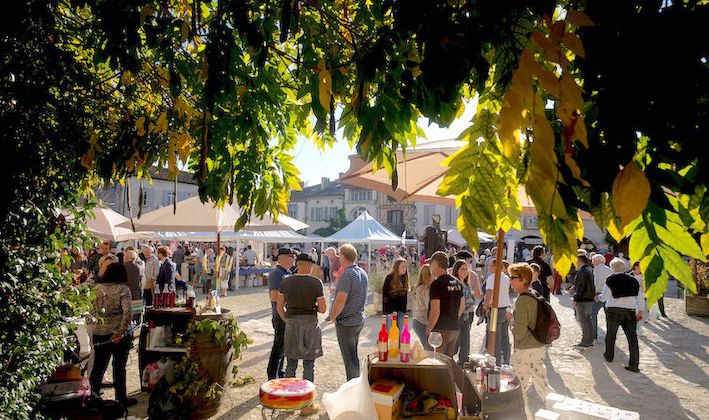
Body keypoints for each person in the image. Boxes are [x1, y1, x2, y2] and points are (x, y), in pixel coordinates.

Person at [276, 253, 326, 415]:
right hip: (310, 323)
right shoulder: (316, 282)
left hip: (292, 322)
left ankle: (290, 401)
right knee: (308, 364)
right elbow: (323, 308)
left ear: (297, 264)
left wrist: (287, 320)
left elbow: (279, 307)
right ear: (309, 265)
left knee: (291, 363)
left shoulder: (286, 281)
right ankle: (307, 403)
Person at [88, 263, 136, 408]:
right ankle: (120, 399)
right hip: (117, 334)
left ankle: (93, 397)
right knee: (119, 367)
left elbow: (91, 311)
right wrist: (120, 332)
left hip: (99, 332)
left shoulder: (96, 289)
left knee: (98, 366)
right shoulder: (123, 289)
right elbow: (128, 313)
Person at [508, 263, 553, 402]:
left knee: (517, 389)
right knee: (542, 383)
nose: (510, 280)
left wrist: (511, 323)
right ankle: (556, 408)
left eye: (512, 277)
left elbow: (519, 333)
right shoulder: (534, 294)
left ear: (523, 279)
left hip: (525, 349)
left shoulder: (522, 300)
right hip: (538, 346)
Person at [329, 243, 368, 381]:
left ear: (344, 256)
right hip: (358, 320)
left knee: (349, 359)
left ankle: (353, 388)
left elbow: (340, 301)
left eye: (340, 255)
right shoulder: (362, 272)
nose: (339, 258)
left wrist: (332, 316)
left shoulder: (347, 274)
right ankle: (356, 385)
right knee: (353, 356)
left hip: (347, 322)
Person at [600, 258, 644, 373]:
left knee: (611, 334)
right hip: (630, 310)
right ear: (624, 267)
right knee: (632, 338)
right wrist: (641, 310)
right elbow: (639, 297)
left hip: (614, 309)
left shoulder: (610, 279)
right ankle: (634, 364)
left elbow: (605, 297)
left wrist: (598, 297)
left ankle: (609, 356)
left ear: (612, 268)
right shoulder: (633, 280)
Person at [426, 251, 464, 358]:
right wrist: (454, 319)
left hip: (440, 329)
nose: (430, 267)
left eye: (431, 264)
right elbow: (462, 306)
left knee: (436, 362)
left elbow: (435, 311)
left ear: (435, 264)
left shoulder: (436, 284)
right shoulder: (457, 282)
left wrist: (429, 328)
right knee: (448, 361)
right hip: (454, 328)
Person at [267, 247, 296, 380]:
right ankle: (272, 375)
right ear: (284, 258)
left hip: (285, 313)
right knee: (278, 347)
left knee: (283, 346)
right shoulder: (277, 274)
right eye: (292, 256)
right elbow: (274, 296)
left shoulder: (286, 273)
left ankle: (280, 371)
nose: (294, 259)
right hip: (280, 314)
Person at [453, 259, 482, 367]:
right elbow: (466, 301)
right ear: (457, 270)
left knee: (465, 344)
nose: (465, 271)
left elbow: (471, 300)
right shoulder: (454, 284)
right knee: (455, 345)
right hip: (457, 317)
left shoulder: (467, 285)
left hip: (466, 317)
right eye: (462, 269)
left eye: (466, 269)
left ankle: (463, 365)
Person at [483, 258, 512, 364]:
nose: (489, 267)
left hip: (496, 309)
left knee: (495, 337)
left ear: (495, 267)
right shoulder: (506, 278)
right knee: (505, 337)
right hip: (506, 308)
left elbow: (489, 294)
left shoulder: (492, 278)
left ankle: (496, 362)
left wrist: (486, 305)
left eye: (491, 265)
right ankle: (506, 360)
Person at [572, 254, 595, 348]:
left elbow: (580, 287)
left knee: (583, 320)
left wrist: (575, 298)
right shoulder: (588, 270)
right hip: (589, 298)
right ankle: (589, 340)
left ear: (580, 261)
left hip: (583, 299)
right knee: (588, 320)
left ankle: (585, 341)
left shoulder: (582, 271)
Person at [382, 257, 409, 332]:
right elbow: (385, 295)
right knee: (390, 332)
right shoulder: (389, 277)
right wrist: (387, 311)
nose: (405, 269)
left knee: (399, 331)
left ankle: (398, 344)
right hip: (391, 310)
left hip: (401, 310)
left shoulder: (405, 278)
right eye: (402, 266)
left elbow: (405, 297)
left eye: (406, 267)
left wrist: (404, 311)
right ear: (397, 267)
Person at [591, 254, 613, 342]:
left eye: (593, 261)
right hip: (609, 294)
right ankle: (610, 337)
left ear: (597, 261)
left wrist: (592, 293)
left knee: (592, 314)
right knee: (608, 316)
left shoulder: (597, 269)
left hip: (599, 294)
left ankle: (593, 336)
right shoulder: (609, 269)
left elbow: (597, 282)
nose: (592, 263)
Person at [411, 264, 432, 347]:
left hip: (417, 321)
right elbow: (429, 306)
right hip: (422, 322)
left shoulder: (418, 287)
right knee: (428, 348)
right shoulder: (425, 289)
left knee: (426, 347)